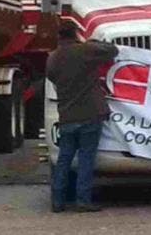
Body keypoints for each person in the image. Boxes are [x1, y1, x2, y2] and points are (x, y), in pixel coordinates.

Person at [46, 23, 119, 213]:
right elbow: (113, 50)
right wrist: (92, 41)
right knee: (86, 159)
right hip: (90, 114)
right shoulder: (85, 50)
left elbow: (52, 77)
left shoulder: (53, 58)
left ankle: (58, 202)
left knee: (64, 159)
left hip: (67, 116)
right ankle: (83, 201)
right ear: (76, 34)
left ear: (59, 36)